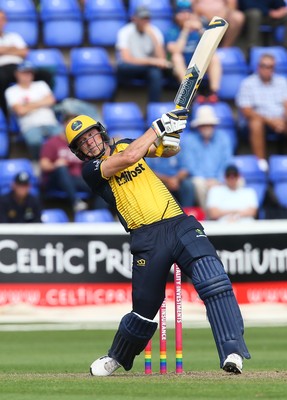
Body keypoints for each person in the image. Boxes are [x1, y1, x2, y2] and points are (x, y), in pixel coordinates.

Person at [65, 107, 250, 376]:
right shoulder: (92, 170)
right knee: (144, 308)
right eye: (82, 142)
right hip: (147, 238)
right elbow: (130, 157)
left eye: (91, 136)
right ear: (79, 152)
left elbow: (165, 150)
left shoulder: (127, 142)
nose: (89, 143)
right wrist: (158, 126)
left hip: (179, 223)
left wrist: (171, 137)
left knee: (214, 281)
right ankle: (116, 357)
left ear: (101, 134)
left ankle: (232, 351)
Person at [235, 53, 287, 171]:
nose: (267, 69)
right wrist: (270, 121)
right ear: (258, 67)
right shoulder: (248, 83)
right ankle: (261, 163)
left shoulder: (282, 82)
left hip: (280, 120)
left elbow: (286, 105)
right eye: (264, 66)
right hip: (257, 122)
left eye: (270, 67)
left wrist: (282, 120)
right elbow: (246, 111)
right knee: (255, 122)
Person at [5, 60, 62, 160]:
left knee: (63, 138)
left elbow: (51, 100)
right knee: (35, 141)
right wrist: (41, 102)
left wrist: (28, 105)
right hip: (29, 126)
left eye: (29, 72)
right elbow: (20, 111)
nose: (27, 75)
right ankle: (39, 163)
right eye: (24, 72)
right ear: (17, 74)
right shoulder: (11, 91)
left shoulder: (41, 84)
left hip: (50, 123)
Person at [0, 9, 53, 116]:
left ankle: (46, 106)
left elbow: (24, 52)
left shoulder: (14, 36)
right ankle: (6, 115)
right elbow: (19, 50)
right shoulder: (14, 40)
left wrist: (4, 50)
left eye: (2, 19)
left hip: (20, 67)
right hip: (2, 69)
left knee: (46, 74)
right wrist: (14, 49)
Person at [115, 6, 172, 102]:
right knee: (122, 66)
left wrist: (153, 38)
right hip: (130, 68)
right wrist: (152, 61)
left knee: (155, 73)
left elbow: (162, 58)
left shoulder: (154, 31)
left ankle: (153, 107)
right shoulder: (125, 31)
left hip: (148, 69)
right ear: (134, 18)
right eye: (142, 18)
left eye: (147, 18)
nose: (145, 21)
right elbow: (126, 59)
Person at [181, 105, 233, 209]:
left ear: (213, 125)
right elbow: (190, 165)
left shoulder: (223, 138)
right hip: (200, 179)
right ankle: (208, 215)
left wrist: (218, 179)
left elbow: (227, 161)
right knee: (198, 183)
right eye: (203, 125)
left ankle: (230, 215)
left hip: (220, 177)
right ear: (198, 126)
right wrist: (207, 181)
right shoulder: (189, 140)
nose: (206, 127)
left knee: (239, 181)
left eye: (209, 125)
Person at [166, 6, 222, 102]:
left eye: (188, 12)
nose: (185, 16)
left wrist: (201, 30)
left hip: (198, 64)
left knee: (214, 57)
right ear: (176, 16)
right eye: (181, 13)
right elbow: (176, 50)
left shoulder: (198, 28)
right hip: (179, 68)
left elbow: (211, 46)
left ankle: (214, 93)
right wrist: (185, 31)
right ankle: (191, 94)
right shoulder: (172, 31)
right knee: (176, 57)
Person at [39, 114, 92, 213]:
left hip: (77, 179)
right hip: (56, 180)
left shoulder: (82, 143)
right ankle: (76, 202)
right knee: (61, 167)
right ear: (64, 124)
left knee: (98, 182)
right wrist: (56, 164)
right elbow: (43, 165)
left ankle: (98, 215)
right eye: (71, 124)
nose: (74, 128)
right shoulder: (53, 142)